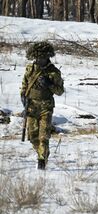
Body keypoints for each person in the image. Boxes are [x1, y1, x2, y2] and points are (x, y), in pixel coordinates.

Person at [20, 41, 64, 170]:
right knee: (33, 137)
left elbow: (60, 91)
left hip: (46, 107)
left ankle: (42, 160)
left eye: (42, 58)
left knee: (43, 136)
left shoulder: (54, 72)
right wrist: (23, 98)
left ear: (47, 57)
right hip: (31, 106)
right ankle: (42, 152)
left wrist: (49, 84)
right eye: (37, 57)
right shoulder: (30, 68)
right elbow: (24, 85)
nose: (39, 60)